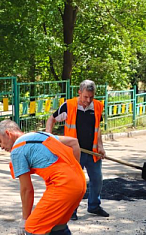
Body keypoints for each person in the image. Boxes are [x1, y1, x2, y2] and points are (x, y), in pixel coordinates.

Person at [0, 119, 90, 235]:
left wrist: (24, 219)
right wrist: (73, 173)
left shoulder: (17, 150)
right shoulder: (40, 135)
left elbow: (26, 189)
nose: (1, 147)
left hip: (63, 185)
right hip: (79, 182)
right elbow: (73, 142)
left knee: (34, 227)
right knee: (55, 223)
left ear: (8, 134)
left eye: (0, 141)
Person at [45, 79, 108, 219]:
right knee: (74, 183)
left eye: (91, 97)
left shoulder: (97, 106)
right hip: (74, 153)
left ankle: (94, 206)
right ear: (79, 92)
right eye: (85, 96)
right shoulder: (69, 105)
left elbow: (97, 129)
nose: (88, 100)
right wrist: (49, 137)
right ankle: (71, 210)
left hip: (92, 152)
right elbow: (51, 119)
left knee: (97, 179)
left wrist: (101, 146)